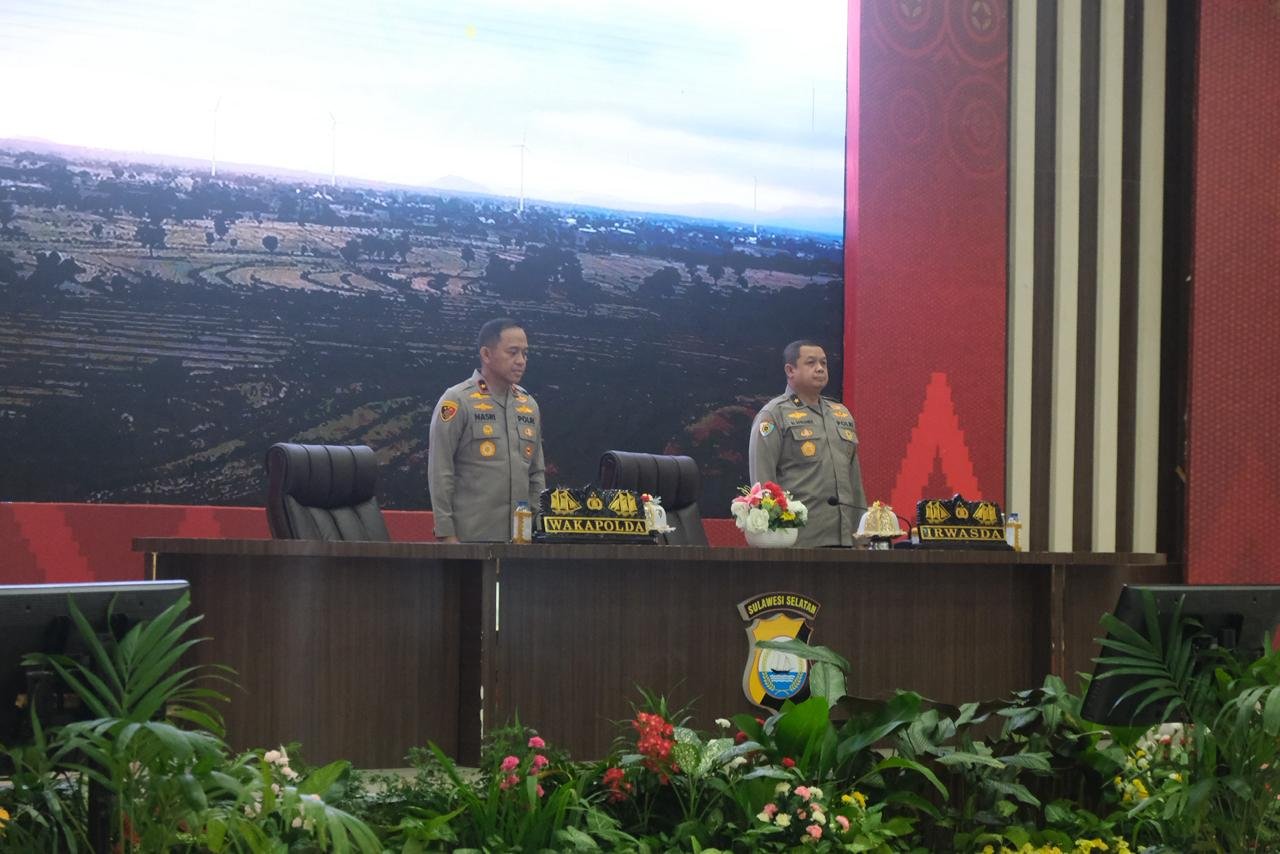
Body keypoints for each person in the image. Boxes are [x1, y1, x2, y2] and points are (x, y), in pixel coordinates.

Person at [428, 318, 546, 542]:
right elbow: (440, 470)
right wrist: (446, 534)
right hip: (470, 540)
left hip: (521, 541)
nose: (521, 361)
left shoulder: (528, 405)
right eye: (512, 352)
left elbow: (536, 473)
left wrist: (539, 529)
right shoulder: (457, 400)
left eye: (525, 353)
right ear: (486, 354)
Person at [749, 340, 867, 547]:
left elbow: (854, 481)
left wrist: (862, 536)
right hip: (799, 540)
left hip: (845, 538)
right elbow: (763, 481)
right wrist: (774, 538)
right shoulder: (773, 414)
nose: (820, 369)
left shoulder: (841, 414)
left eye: (824, 363)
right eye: (811, 363)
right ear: (790, 370)